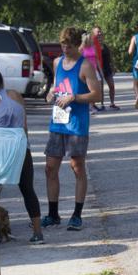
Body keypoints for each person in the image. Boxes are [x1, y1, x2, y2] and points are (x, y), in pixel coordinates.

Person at [43, 26, 101, 231]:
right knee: (50, 167)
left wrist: (74, 97)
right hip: (57, 122)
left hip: (76, 124)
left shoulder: (85, 66)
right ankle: (53, 214)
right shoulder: (57, 62)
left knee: (77, 167)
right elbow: (56, 86)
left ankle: (77, 214)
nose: (65, 49)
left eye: (68, 46)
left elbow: (97, 95)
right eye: (62, 45)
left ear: (78, 45)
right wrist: (51, 93)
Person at [0, 65, 43, 244]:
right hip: (20, 145)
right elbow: (24, 125)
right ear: (1, 80)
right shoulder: (15, 95)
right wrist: (25, 144)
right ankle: (38, 233)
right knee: (27, 189)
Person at [92, 25, 120, 110]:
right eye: (98, 32)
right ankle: (102, 104)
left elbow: (110, 57)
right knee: (100, 88)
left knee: (111, 85)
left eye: (100, 31)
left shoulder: (105, 46)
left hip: (107, 68)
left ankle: (112, 103)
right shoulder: (92, 45)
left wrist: (113, 66)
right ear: (93, 33)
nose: (99, 33)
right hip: (97, 68)